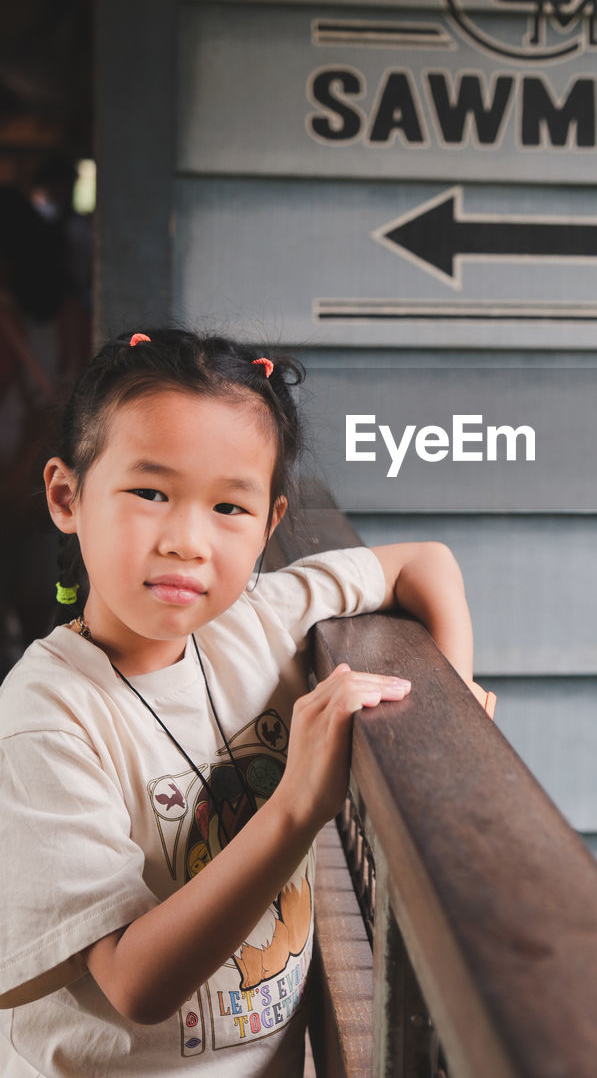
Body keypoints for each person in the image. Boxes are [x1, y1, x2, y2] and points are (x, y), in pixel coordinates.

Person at [0, 328, 486, 1076]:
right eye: (150, 492)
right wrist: (297, 804)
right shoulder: (47, 716)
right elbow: (136, 983)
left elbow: (426, 564)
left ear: (269, 522)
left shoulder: (256, 619)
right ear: (68, 496)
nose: (188, 541)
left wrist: (446, 722)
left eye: (230, 508)